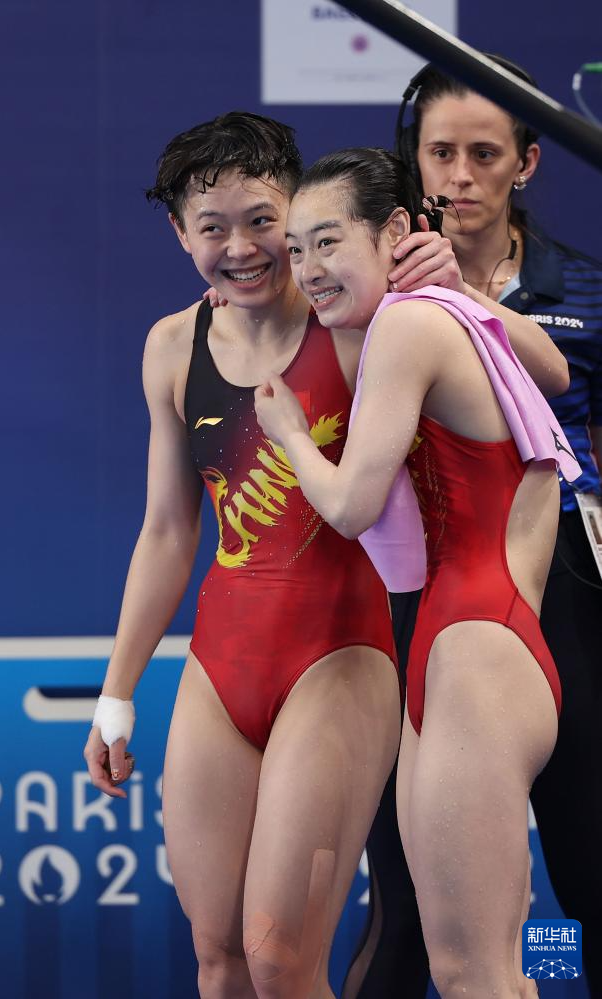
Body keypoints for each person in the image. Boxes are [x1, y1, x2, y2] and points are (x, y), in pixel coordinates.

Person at [83, 111, 411, 999]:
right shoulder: (171, 347)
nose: (241, 248)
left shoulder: (362, 328)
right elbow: (167, 530)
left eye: (263, 220)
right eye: (212, 227)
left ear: (297, 211)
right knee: (221, 957)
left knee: (280, 959)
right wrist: (116, 694)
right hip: (220, 666)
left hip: (341, 657)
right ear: (178, 233)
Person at [254, 145, 577, 998]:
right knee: (489, 972)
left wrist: (288, 435)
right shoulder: (452, 313)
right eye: (295, 248)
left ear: (396, 229)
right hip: (471, 641)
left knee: (472, 975)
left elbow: (351, 505)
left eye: (328, 241)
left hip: (473, 648)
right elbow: (555, 368)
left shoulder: (405, 325)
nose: (307, 268)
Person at [345, 58, 602, 999]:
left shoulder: (587, 288)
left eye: (483, 154)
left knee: (585, 875)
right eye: (440, 152)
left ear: (525, 161)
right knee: (410, 903)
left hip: (567, 592)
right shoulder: (368, 281)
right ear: (411, 160)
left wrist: (464, 295)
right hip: (426, 596)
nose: (459, 175)